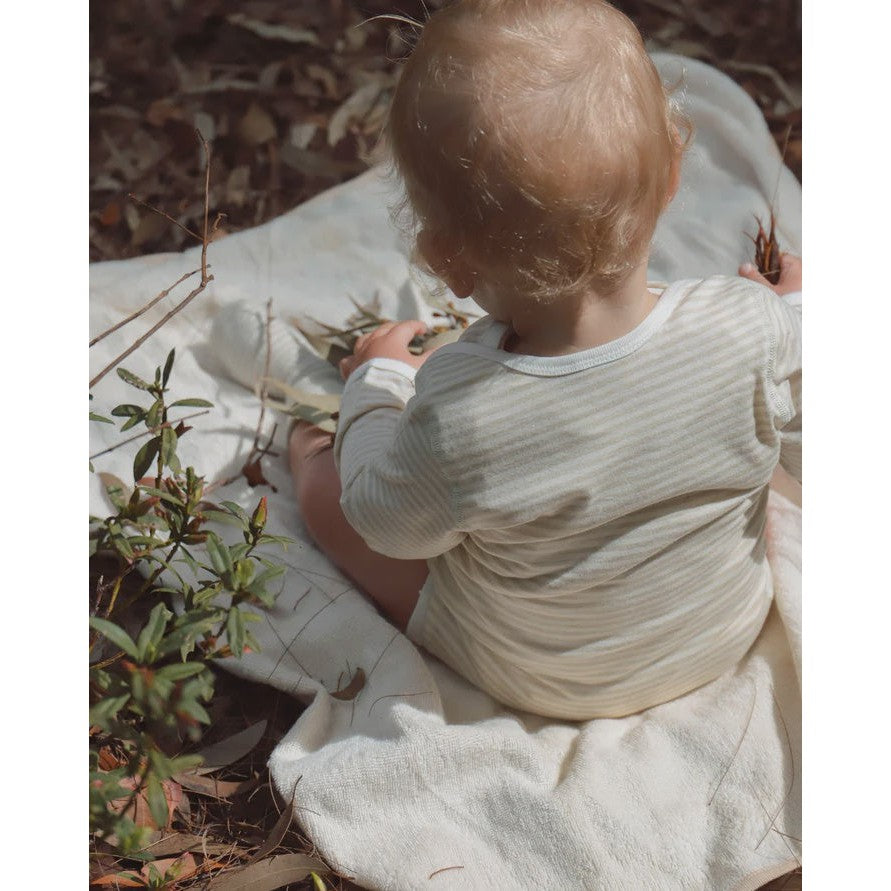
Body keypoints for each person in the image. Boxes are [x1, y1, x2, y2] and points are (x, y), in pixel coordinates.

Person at [287, 0, 802, 720]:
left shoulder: (459, 414)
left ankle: (296, 454)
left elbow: (389, 523)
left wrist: (376, 385)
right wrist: (796, 311)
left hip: (534, 676)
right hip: (716, 633)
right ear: (671, 177)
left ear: (446, 260)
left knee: (337, 496)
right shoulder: (749, 327)